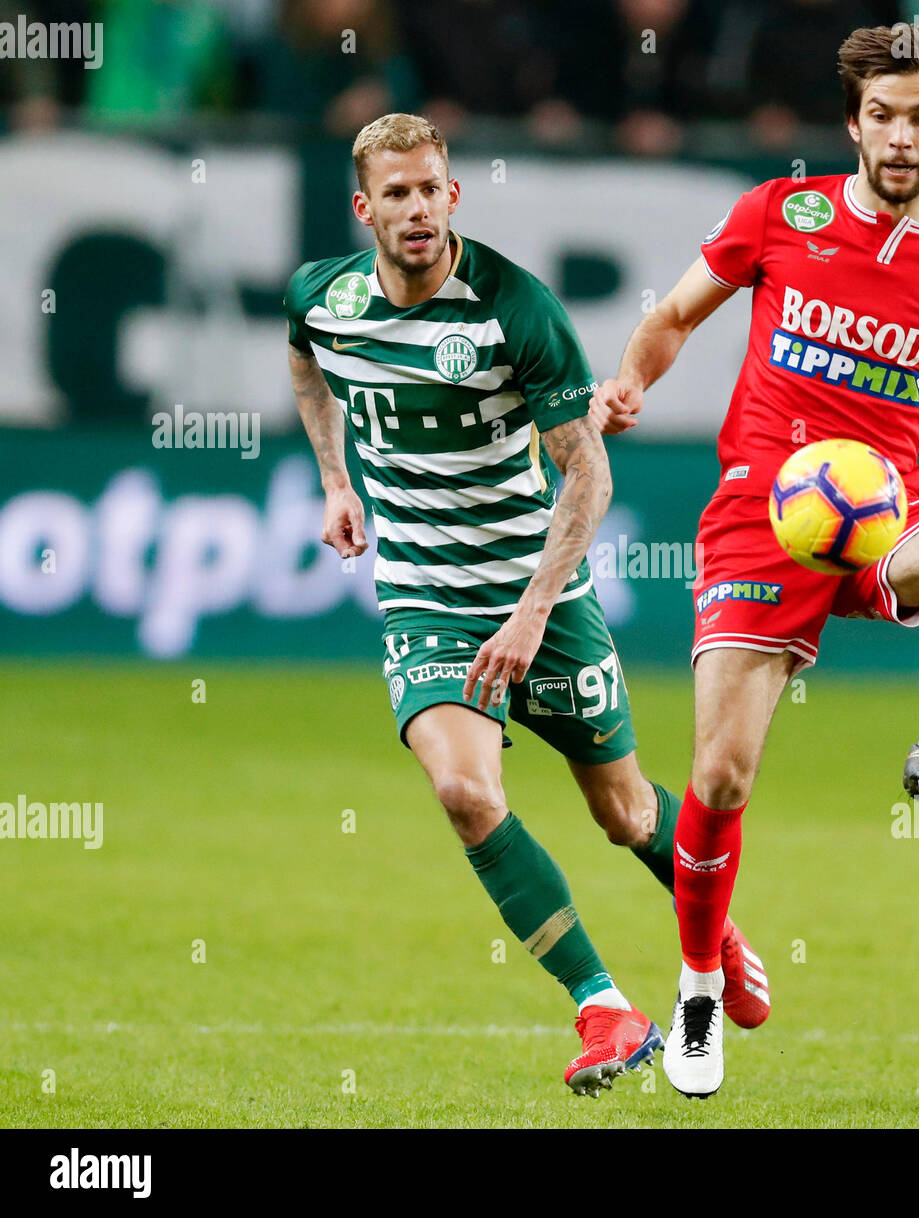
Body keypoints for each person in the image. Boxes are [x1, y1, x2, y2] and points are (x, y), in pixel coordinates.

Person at [590, 25, 919, 1097]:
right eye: (881, 115)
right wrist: (629, 383)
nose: (899, 136)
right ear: (852, 122)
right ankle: (698, 991)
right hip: (762, 519)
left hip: (880, 520)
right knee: (719, 777)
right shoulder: (780, 213)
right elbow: (671, 315)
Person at [284, 113, 768, 1096]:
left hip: (536, 593)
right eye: (398, 193)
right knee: (465, 794)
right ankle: (605, 1007)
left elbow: (586, 480)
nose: (417, 209)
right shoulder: (322, 299)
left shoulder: (514, 309)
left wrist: (534, 611)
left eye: (432, 189)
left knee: (624, 812)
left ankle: (712, 938)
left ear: (452, 195)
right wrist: (336, 478)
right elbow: (304, 358)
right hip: (425, 600)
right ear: (362, 207)